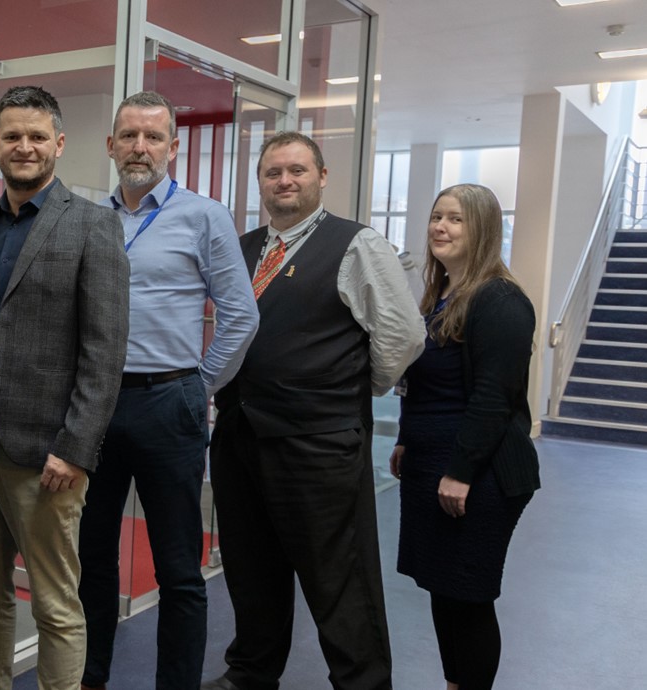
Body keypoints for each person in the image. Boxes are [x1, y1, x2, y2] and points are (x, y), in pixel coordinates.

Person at [205, 131, 424, 690]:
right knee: (251, 570)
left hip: (318, 444)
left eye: (297, 170)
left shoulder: (358, 245)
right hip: (240, 436)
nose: (285, 181)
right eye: (273, 172)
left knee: (339, 578)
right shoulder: (243, 246)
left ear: (322, 177)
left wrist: (347, 386)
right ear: (259, 182)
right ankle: (251, 673)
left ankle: (361, 683)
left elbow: (402, 337)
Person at [78, 91, 257, 690]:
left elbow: (240, 315)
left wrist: (197, 385)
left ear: (173, 148)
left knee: (179, 569)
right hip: (95, 407)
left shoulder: (204, 216)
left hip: (168, 403)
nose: (140, 147)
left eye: (153, 136)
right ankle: (89, 678)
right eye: (129, 135)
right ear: (110, 146)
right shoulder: (88, 218)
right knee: (93, 559)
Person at [0, 85, 129, 690]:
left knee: (56, 607)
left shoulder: (94, 227)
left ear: (58, 143)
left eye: (36, 136)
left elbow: (104, 351)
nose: (23, 146)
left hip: (47, 458)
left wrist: (76, 447)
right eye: (11, 136)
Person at [390, 184, 539, 690]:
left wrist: (460, 472)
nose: (440, 227)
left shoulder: (499, 300)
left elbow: (494, 399)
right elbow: (427, 385)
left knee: (469, 595)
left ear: (483, 230)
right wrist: (407, 440)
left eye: (456, 219)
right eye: (436, 216)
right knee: (442, 588)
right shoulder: (441, 297)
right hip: (433, 460)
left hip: (482, 473)